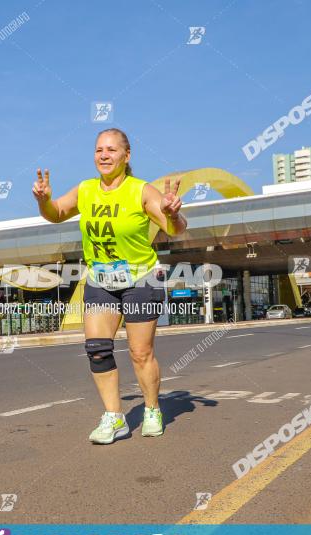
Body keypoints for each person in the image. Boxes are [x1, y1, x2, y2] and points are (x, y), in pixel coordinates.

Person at [32, 128, 187, 444]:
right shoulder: (86, 190)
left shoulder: (141, 191)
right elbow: (57, 213)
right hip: (101, 281)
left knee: (140, 352)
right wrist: (45, 201)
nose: (104, 155)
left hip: (141, 278)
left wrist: (174, 214)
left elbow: (176, 228)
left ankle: (152, 409)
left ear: (126, 156)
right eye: (99, 149)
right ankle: (115, 417)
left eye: (112, 150)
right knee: (98, 351)